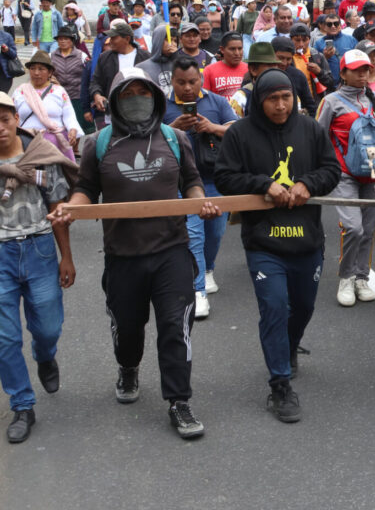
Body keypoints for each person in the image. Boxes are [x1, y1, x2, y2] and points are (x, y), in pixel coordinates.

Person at [49, 68, 219, 439]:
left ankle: (179, 400)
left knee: (176, 325)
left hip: (171, 251)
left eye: (144, 92)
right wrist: (71, 209)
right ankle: (128, 367)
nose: (137, 100)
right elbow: (87, 190)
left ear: (155, 98)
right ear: (114, 101)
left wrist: (200, 202)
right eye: (128, 95)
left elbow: (191, 183)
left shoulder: (175, 139)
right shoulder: (99, 143)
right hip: (123, 255)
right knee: (128, 329)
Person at [215, 65, 341, 423]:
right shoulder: (239, 134)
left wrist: (308, 184)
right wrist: (261, 184)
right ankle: (280, 384)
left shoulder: (311, 129)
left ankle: (288, 347)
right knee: (274, 307)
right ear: (259, 100)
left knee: (301, 308)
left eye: (287, 97)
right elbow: (224, 177)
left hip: (307, 240)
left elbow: (332, 170)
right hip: (263, 242)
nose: (281, 105)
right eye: (273, 99)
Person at [0, 91, 76, 444]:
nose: (0, 128)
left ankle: (45, 357)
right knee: (4, 339)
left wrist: (67, 256)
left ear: (16, 119)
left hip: (40, 249)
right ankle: (22, 405)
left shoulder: (41, 155)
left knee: (47, 327)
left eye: (4, 119)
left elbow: (59, 207)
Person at [163, 57, 238, 319]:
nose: (187, 88)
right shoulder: (162, 104)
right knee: (193, 233)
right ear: (172, 81)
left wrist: (212, 127)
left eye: (192, 81)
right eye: (181, 82)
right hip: (180, 183)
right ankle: (198, 292)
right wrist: (172, 129)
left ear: (201, 80)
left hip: (214, 179)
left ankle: (207, 270)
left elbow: (237, 130)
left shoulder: (217, 102)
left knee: (214, 232)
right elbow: (148, 136)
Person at [316, 49, 375, 307]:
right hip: (344, 176)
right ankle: (346, 278)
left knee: (368, 230)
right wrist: (325, 171)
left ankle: (362, 278)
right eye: (357, 69)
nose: (363, 74)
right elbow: (318, 138)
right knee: (353, 227)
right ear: (343, 73)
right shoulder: (331, 101)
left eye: (366, 69)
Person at [14, 51, 80, 161]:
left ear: (50, 73)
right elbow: (12, 116)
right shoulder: (20, 91)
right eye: (32, 68)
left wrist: (72, 129)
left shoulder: (59, 91)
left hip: (53, 145)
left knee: (53, 176)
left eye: (41, 69)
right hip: (26, 142)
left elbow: (69, 115)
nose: (36, 73)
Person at [89, 22, 151, 129]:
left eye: (114, 38)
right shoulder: (104, 58)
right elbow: (95, 82)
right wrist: (97, 95)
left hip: (140, 114)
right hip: (112, 116)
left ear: (127, 39)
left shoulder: (145, 57)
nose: (110, 41)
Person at [313, 13, 358, 83]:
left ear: (340, 25)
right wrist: (324, 57)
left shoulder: (351, 40)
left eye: (336, 24)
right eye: (329, 24)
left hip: (348, 83)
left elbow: (357, 61)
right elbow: (315, 65)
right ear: (324, 27)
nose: (333, 26)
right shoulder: (318, 43)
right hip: (328, 84)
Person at [202, 32, 248, 98]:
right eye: (232, 49)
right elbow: (205, 98)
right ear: (222, 50)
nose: (237, 53)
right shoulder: (209, 70)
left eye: (240, 49)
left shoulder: (249, 70)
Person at [0, 26, 18, 94]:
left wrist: (7, 50)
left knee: (2, 100)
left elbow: (14, 55)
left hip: (3, 76)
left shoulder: (6, 36)